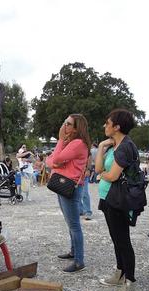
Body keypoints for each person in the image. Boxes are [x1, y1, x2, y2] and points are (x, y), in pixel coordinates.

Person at [95, 109, 139, 291]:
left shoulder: (125, 147)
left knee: (123, 241)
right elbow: (97, 168)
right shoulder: (114, 146)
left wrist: (102, 175)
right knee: (116, 238)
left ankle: (129, 283)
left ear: (117, 126)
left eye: (108, 122)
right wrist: (103, 146)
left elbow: (111, 175)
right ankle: (119, 273)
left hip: (119, 200)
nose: (105, 125)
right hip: (108, 198)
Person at [46, 114, 90, 273]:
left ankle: (79, 261)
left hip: (69, 187)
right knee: (70, 222)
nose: (65, 126)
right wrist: (55, 161)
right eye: (65, 123)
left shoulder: (77, 143)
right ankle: (74, 252)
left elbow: (55, 159)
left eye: (69, 124)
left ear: (77, 128)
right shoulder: (71, 143)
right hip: (63, 185)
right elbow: (50, 161)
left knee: (74, 225)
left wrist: (59, 141)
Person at [79, 153, 93, 220]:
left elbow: (89, 156)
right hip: (75, 174)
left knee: (84, 193)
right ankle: (80, 210)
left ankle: (87, 211)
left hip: (84, 173)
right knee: (76, 193)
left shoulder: (84, 145)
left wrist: (88, 169)